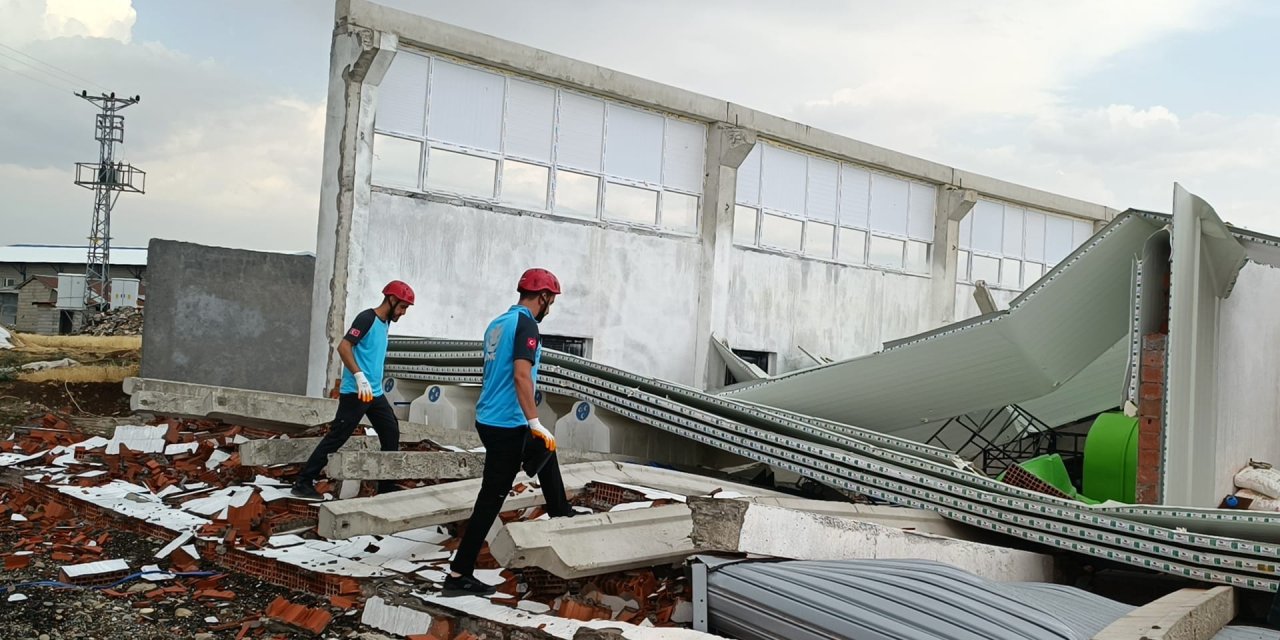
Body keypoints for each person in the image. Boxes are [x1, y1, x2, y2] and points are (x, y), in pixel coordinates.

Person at [442, 268, 575, 597]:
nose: (550, 308)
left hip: (490, 418)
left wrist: (533, 429)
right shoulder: (526, 324)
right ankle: (459, 575)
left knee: (545, 448)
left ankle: (561, 511)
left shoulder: (497, 323)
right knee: (491, 499)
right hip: (507, 423)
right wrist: (534, 419)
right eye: (551, 301)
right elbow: (520, 375)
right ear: (543, 297)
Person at [291, 280, 414, 499]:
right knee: (337, 436)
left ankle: (385, 487)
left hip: (374, 393)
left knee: (391, 432)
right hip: (356, 392)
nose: (404, 313)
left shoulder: (386, 322)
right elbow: (344, 346)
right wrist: (359, 376)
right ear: (392, 299)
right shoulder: (367, 318)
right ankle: (303, 482)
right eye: (403, 307)